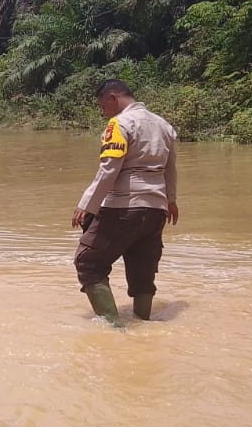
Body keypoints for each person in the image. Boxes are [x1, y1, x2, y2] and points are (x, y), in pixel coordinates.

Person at [71, 79, 179, 328]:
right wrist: (171, 200)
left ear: (113, 98)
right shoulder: (163, 125)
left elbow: (109, 169)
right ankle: (143, 324)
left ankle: (114, 329)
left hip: (124, 206)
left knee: (89, 261)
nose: (103, 112)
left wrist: (86, 204)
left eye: (103, 106)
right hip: (156, 210)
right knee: (143, 267)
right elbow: (171, 168)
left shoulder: (120, 123)